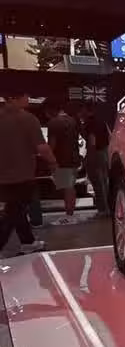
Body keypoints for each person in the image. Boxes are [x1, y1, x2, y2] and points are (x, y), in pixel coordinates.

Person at [0, 90, 56, 254]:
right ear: (15, 98)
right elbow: (42, 147)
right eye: (25, 96)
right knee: (13, 213)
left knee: (16, 210)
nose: (28, 99)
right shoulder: (28, 119)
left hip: (2, 175)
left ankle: (28, 242)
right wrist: (53, 162)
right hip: (22, 174)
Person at [45, 99, 80, 225]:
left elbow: (52, 144)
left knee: (67, 188)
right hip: (74, 158)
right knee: (70, 187)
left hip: (61, 159)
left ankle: (69, 216)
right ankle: (70, 214)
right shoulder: (72, 120)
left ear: (50, 110)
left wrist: (49, 159)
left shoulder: (53, 123)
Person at [78, 101, 110, 217]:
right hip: (104, 153)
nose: (79, 113)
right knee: (105, 182)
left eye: (81, 110)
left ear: (86, 110)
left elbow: (92, 141)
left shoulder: (89, 123)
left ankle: (102, 210)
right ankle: (108, 208)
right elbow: (109, 137)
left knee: (97, 183)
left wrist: (89, 157)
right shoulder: (102, 121)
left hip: (95, 154)